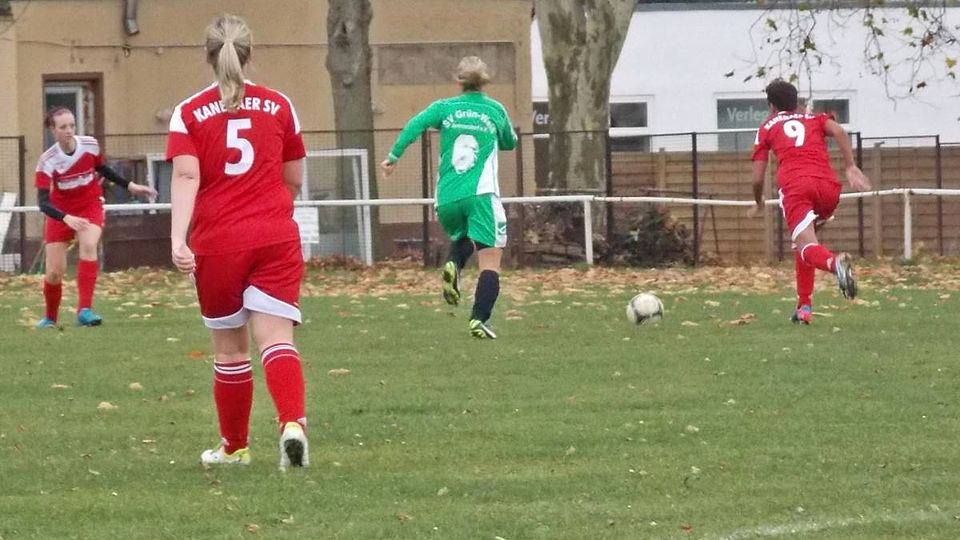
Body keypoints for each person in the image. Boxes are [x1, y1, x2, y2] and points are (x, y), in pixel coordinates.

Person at [166, 14, 309, 468]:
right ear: (250, 53)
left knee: (230, 350)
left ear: (208, 56)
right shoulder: (280, 105)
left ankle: (235, 447)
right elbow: (294, 179)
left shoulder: (188, 112)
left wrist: (179, 239)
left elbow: (187, 176)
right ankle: (292, 424)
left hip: (218, 243)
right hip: (274, 237)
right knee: (277, 340)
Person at [381, 56, 517, 339]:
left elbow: (415, 125)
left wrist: (393, 156)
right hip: (480, 194)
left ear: (458, 81)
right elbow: (509, 142)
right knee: (490, 260)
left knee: (466, 236)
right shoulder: (494, 109)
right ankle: (479, 319)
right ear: (485, 81)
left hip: (446, 198)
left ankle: (454, 262)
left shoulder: (444, 108)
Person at [750, 79, 872, 324]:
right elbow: (839, 131)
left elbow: (757, 177)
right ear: (796, 102)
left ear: (771, 106)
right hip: (828, 187)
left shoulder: (766, 127)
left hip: (796, 187)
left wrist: (758, 200)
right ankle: (804, 307)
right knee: (803, 243)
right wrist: (850, 166)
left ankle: (835, 264)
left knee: (806, 244)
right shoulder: (813, 118)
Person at [34, 107, 157, 329]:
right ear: (52, 130)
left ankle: (85, 311)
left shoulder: (90, 145)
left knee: (89, 244)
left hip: (89, 204)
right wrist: (66, 218)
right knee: (54, 271)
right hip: (60, 211)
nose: (69, 130)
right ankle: (50, 318)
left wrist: (131, 186)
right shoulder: (47, 161)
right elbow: (43, 202)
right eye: (63, 127)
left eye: (72, 125)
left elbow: (102, 168)